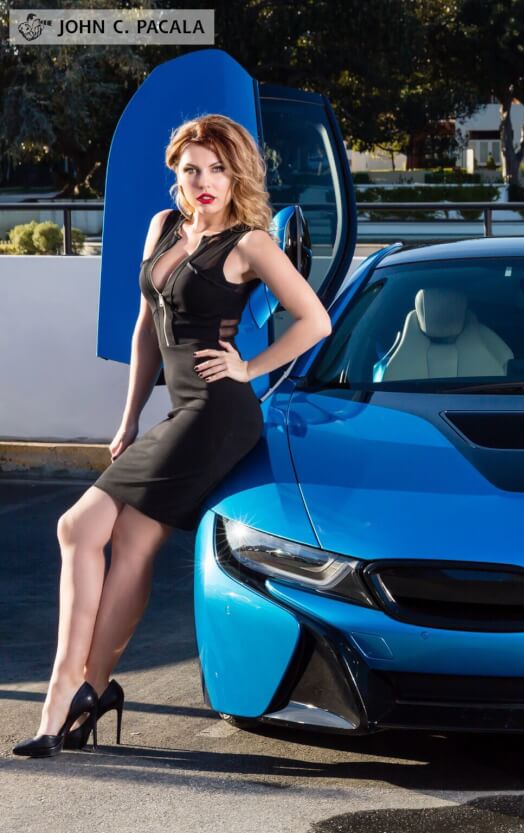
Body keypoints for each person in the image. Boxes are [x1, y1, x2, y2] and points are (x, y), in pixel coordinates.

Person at [13, 113, 333, 757]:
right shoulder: (163, 228)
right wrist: (129, 417)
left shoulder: (251, 244)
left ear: (236, 174)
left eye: (217, 168)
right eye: (192, 169)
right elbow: (145, 328)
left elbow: (315, 320)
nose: (204, 180)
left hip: (218, 414)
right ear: (176, 174)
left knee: (77, 527)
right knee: (124, 541)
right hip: (177, 410)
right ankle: (91, 691)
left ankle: (65, 694)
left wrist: (248, 368)